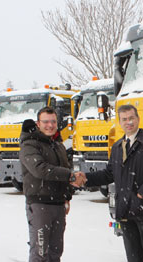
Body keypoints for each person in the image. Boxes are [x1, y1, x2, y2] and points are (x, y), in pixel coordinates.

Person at [77, 104, 143, 262]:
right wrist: (86, 178)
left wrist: (142, 193)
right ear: (120, 122)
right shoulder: (117, 147)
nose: (128, 122)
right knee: (133, 257)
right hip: (126, 210)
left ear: (138, 119)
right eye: (124, 119)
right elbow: (109, 174)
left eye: (131, 118)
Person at [19, 106, 85, 262]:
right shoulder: (29, 145)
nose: (50, 125)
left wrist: (67, 196)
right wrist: (70, 176)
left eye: (53, 122)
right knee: (40, 252)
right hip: (40, 205)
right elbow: (40, 169)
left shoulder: (57, 145)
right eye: (46, 122)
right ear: (38, 123)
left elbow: (65, 168)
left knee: (55, 253)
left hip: (58, 205)